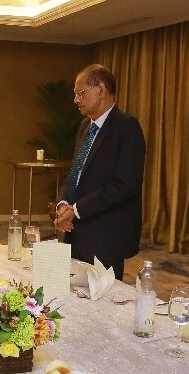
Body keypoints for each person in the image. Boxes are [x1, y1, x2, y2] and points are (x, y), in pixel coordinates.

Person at [53, 64, 146, 279]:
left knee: (103, 296)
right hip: (76, 232)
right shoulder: (85, 126)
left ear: (101, 90)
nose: (76, 100)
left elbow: (126, 185)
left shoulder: (126, 127)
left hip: (106, 237)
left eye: (80, 93)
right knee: (73, 292)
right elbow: (75, 174)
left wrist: (78, 209)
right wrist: (63, 204)